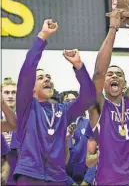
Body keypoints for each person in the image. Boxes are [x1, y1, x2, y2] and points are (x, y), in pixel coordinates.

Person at [13, 19, 96, 185]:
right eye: (41, 77)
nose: (47, 79)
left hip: (57, 177)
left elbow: (88, 97)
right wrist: (42, 36)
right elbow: (28, 68)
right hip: (30, 175)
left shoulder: (63, 110)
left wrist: (79, 67)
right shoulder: (26, 105)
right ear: (31, 87)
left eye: (49, 77)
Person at [88, 9, 129, 185]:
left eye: (119, 75)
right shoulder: (96, 105)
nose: (114, 76)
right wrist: (113, 28)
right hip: (108, 181)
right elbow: (99, 72)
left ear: (124, 83)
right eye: (110, 74)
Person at [66, 116, 96, 186]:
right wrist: (70, 183)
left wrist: (86, 181)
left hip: (85, 181)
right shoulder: (58, 123)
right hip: (63, 181)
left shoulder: (88, 124)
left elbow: (93, 155)